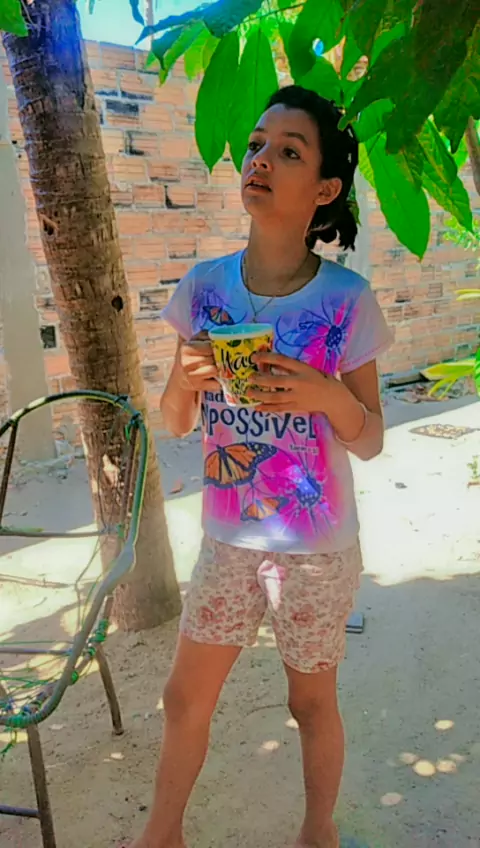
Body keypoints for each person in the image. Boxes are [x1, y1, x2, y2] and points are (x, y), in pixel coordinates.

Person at [129, 85, 392, 848]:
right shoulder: (203, 289)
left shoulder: (348, 300)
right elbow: (175, 421)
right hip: (227, 540)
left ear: (325, 190)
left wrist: (324, 395)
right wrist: (186, 379)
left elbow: (371, 438)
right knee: (184, 698)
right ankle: (161, 837)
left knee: (310, 704)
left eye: (289, 151)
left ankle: (318, 832)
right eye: (255, 145)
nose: (261, 160)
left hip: (316, 552)